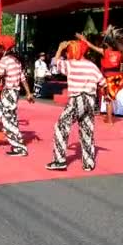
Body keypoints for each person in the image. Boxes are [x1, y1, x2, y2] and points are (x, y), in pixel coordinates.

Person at [46, 40, 106, 172]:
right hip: (90, 100)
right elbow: (103, 83)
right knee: (87, 130)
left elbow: (54, 65)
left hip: (77, 99)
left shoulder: (71, 64)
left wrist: (59, 49)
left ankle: (59, 160)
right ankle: (88, 163)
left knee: (61, 126)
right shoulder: (92, 66)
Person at [76, 26, 123, 125]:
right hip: (117, 79)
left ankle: (110, 121)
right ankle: (109, 118)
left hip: (110, 79)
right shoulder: (119, 53)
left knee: (108, 100)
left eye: (105, 44)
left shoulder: (105, 52)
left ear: (107, 44)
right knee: (108, 98)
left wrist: (83, 39)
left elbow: (90, 45)